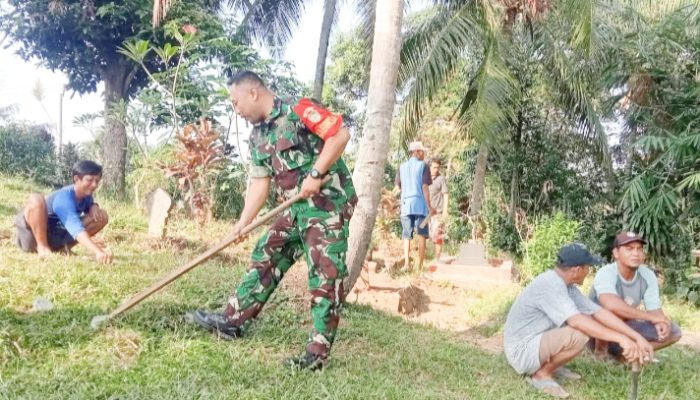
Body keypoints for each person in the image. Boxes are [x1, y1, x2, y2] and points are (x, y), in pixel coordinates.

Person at [191, 70, 357, 371]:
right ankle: (233, 320)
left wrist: (316, 174)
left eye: (236, 102)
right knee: (267, 251)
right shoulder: (257, 136)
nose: (236, 110)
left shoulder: (300, 110)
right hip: (296, 209)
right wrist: (243, 223)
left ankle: (316, 355)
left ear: (253, 92)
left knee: (324, 275)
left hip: (327, 205)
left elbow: (340, 135)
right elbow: (259, 182)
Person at [503, 243, 654, 398]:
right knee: (579, 334)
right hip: (521, 352)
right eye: (588, 267)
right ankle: (542, 374)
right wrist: (620, 338)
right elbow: (577, 322)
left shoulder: (566, 286)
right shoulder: (551, 285)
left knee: (584, 323)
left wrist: (635, 337)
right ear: (577, 270)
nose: (589, 272)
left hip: (532, 341)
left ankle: (550, 366)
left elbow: (598, 312)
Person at [589, 231, 682, 360]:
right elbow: (611, 306)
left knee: (674, 331)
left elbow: (655, 310)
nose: (636, 253)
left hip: (626, 328)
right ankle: (601, 355)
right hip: (596, 333)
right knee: (611, 311)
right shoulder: (606, 273)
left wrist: (661, 322)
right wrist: (651, 317)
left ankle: (627, 355)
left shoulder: (647, 275)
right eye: (629, 249)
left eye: (639, 249)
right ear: (616, 253)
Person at [14, 160, 111, 264]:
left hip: (56, 234)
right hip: (32, 237)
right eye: (90, 180)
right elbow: (76, 229)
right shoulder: (64, 198)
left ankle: (64, 249)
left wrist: (94, 206)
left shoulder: (86, 196)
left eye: (97, 181)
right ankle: (42, 248)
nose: (94, 185)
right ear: (77, 179)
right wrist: (97, 251)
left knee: (102, 216)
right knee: (36, 199)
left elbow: (90, 207)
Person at [395, 141, 435, 272]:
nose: (423, 154)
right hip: (421, 207)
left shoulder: (401, 167)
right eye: (422, 151)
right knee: (422, 235)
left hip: (406, 207)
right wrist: (429, 207)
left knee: (406, 235)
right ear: (416, 152)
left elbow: (397, 187)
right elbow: (424, 187)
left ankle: (406, 265)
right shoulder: (423, 166)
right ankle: (420, 267)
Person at [428, 158, 448, 261]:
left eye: (437, 167)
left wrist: (445, 211)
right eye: (434, 167)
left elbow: (445, 194)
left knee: (438, 236)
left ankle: (437, 259)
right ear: (429, 167)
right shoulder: (425, 178)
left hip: (438, 213)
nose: (436, 169)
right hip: (426, 214)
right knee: (423, 235)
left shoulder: (441, 179)